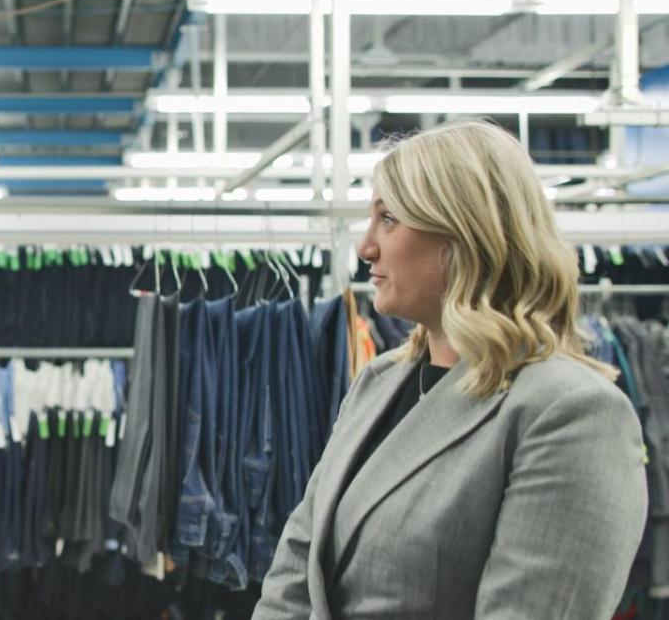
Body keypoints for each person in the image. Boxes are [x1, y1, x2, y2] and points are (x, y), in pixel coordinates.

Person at [252, 120, 648, 619]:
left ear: (465, 234)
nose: (365, 246)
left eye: (389, 219)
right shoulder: (379, 383)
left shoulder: (570, 414)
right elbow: (297, 563)